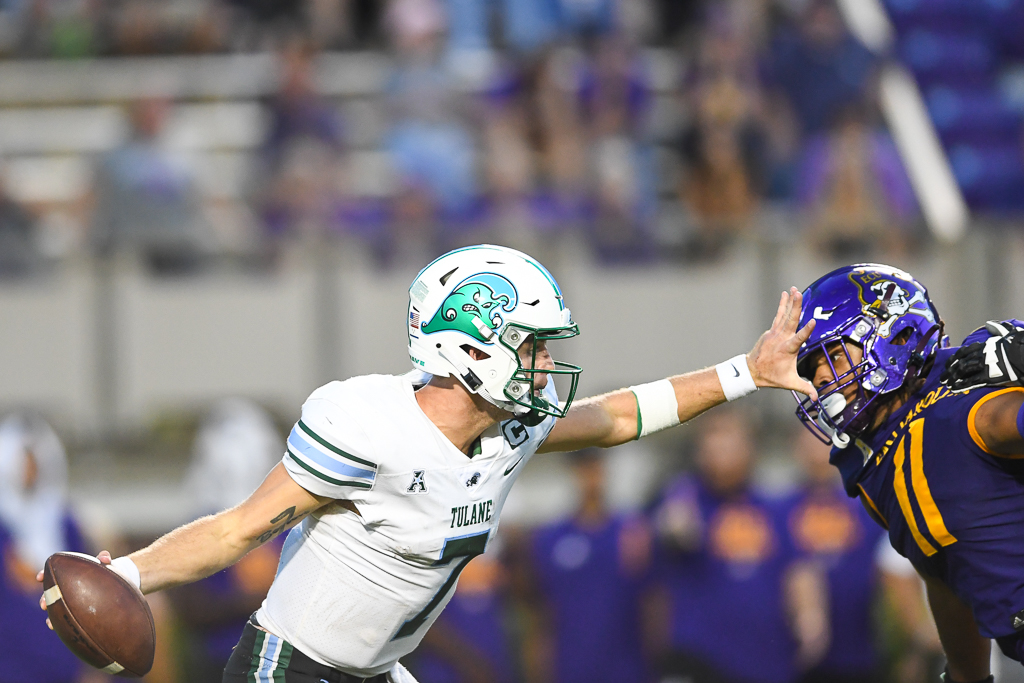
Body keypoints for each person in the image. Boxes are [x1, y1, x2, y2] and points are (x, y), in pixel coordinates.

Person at [39, 243, 816, 682]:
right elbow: (238, 529)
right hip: (293, 669)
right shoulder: (366, 423)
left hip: (382, 671)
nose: (546, 365)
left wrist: (745, 371)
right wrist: (131, 575)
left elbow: (618, 415)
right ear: (469, 346)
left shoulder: (514, 425)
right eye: (531, 344)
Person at [791, 263, 1024, 683]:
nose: (821, 378)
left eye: (834, 355)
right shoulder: (878, 464)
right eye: (811, 370)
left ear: (896, 337)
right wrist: (968, 677)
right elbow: (946, 576)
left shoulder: (970, 408)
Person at [645, 409, 828, 683]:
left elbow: (798, 570)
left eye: (729, 435)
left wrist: (811, 616)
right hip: (698, 660)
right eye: (712, 435)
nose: (720, 445)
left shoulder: (773, 509)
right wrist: (677, 525)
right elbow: (673, 525)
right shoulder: (685, 495)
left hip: (765, 662)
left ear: (750, 446)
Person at [168, 399, 285, 682]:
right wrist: (259, 600)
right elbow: (189, 607)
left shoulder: (289, 522)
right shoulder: (197, 526)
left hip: (280, 660)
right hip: (217, 660)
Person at [516, 448, 651, 683]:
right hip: (569, 668)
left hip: (628, 669)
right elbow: (539, 616)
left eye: (595, 466)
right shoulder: (550, 539)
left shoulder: (632, 534)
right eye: (584, 467)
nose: (591, 475)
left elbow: (652, 603)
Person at [0, 413, 93, 683]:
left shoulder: (64, 521)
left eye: (35, 460)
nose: (31, 469)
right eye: (23, 461)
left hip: (67, 649)